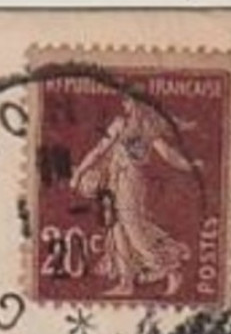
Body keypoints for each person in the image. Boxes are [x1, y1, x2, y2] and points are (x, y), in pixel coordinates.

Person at [69, 96, 199, 298]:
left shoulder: (147, 126)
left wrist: (190, 167)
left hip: (131, 181)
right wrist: (80, 173)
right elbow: (99, 151)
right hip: (114, 180)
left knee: (132, 227)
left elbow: (167, 154)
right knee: (116, 229)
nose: (125, 105)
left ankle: (170, 269)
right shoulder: (121, 124)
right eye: (125, 102)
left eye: (128, 102)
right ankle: (126, 282)